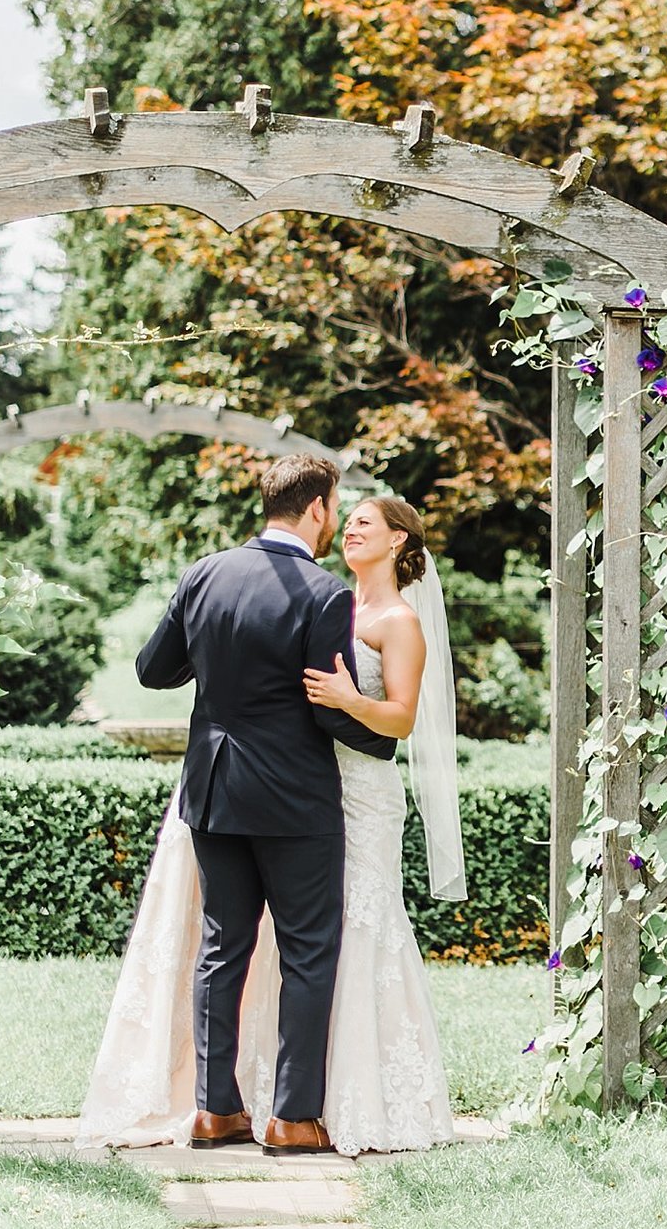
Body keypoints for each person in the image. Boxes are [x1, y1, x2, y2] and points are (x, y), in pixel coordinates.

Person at [75, 459, 462, 1156]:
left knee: (223, 946)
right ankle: (291, 1116)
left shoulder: (203, 575)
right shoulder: (323, 595)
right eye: (337, 509)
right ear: (316, 508)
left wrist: (224, 660)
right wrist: (371, 739)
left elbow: (152, 670)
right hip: (295, 798)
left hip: (215, 789)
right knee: (310, 950)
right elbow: (324, 706)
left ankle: (213, 1109)